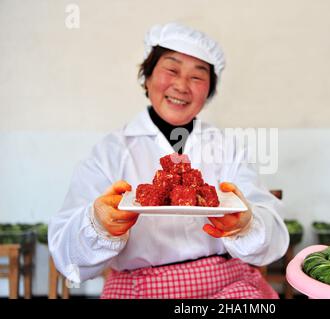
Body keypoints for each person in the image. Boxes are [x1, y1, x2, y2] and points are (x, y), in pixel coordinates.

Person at [49, 22, 289, 299]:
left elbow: (274, 237)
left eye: (197, 77)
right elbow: (67, 260)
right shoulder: (110, 152)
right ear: (147, 77)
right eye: (171, 70)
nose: (181, 85)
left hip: (228, 287)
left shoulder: (227, 147)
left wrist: (246, 224)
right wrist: (99, 224)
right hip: (138, 290)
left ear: (209, 91)